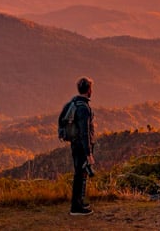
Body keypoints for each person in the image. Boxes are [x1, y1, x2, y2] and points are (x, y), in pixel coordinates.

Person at [68, 76, 96, 215]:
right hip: (81, 147)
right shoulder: (83, 108)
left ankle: (79, 202)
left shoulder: (77, 103)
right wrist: (89, 153)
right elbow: (84, 132)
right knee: (80, 175)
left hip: (76, 144)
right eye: (91, 88)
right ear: (89, 90)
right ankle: (76, 207)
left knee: (81, 174)